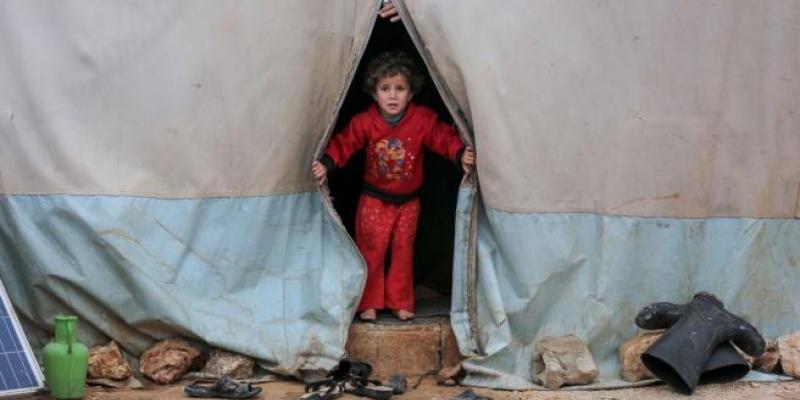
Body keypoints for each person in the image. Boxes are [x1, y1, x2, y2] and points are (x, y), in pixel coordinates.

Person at [312, 50, 475, 321]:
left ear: (410, 93)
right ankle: (369, 303)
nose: (392, 95)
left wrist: (460, 152)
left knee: (402, 251)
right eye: (385, 88)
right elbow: (345, 142)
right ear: (374, 93)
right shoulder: (365, 121)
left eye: (400, 88)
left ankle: (400, 301)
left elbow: (441, 136)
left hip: (408, 201)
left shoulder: (422, 119)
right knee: (372, 251)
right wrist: (326, 163)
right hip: (374, 199)